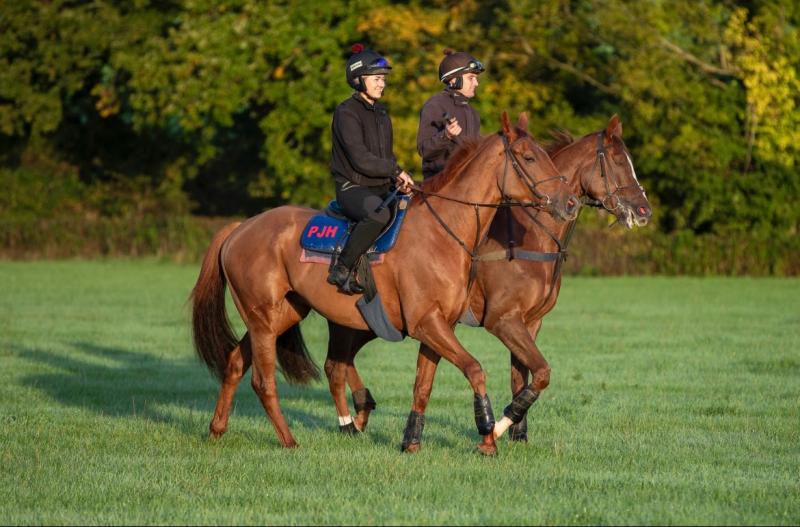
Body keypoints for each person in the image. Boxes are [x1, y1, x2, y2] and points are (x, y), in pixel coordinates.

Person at [327, 44, 415, 294]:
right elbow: (361, 159)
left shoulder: (382, 113)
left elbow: (387, 156)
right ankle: (342, 267)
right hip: (352, 188)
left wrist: (400, 179)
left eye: (383, 79)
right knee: (378, 215)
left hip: (381, 186)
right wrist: (395, 171)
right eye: (376, 79)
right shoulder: (346, 112)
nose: (382, 84)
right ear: (358, 80)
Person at [417, 49, 485, 179]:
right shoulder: (435, 105)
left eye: (476, 78)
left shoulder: (473, 112)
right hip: (439, 183)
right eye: (471, 78)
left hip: (467, 183)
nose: (476, 83)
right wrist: (446, 135)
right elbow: (424, 151)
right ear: (454, 79)